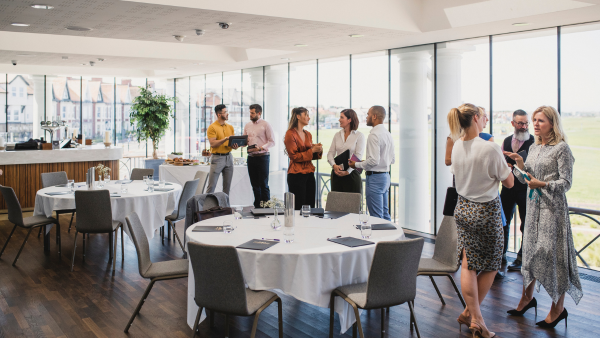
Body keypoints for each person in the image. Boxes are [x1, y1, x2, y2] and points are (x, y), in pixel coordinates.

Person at [505, 106, 582, 328]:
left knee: (553, 258)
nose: (535, 124)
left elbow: (566, 183)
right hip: (534, 209)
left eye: (540, 121)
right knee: (529, 255)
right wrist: (519, 164)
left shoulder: (562, 149)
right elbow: (524, 180)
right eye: (534, 120)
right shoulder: (535, 148)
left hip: (553, 211)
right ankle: (526, 299)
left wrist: (544, 184)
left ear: (552, 124)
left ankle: (558, 309)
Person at [449, 103, 514, 338]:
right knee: (492, 264)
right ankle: (477, 319)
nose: (486, 121)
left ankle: (469, 313)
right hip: (486, 211)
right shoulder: (490, 148)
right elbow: (509, 183)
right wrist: (507, 168)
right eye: (484, 117)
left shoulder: (457, 145)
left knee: (468, 263)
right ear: (476, 118)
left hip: (463, 208)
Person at [501, 109, 535, 272]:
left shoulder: (534, 142)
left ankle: (521, 259)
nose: (524, 126)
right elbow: (501, 161)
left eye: (526, 123)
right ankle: (501, 255)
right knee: (503, 222)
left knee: (526, 224)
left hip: (525, 189)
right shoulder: (506, 141)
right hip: (507, 188)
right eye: (520, 123)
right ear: (513, 123)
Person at [349, 106, 394, 221]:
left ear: (374, 116)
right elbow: (391, 160)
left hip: (375, 179)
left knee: (376, 217)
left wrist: (356, 165)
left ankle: (379, 239)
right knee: (384, 214)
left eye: (368, 114)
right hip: (385, 177)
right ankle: (390, 239)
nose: (366, 117)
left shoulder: (374, 135)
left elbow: (374, 160)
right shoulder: (387, 134)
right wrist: (367, 162)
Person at [284, 107, 322, 210]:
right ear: (298, 116)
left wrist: (318, 150)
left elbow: (309, 155)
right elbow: (294, 157)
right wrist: (312, 150)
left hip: (309, 173)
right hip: (296, 174)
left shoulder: (308, 134)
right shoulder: (290, 134)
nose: (309, 118)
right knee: (298, 207)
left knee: (310, 206)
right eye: (306, 115)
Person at [206, 104, 242, 196]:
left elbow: (232, 145)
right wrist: (226, 139)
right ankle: (207, 208)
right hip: (217, 158)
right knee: (211, 186)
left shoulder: (230, 127)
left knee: (227, 187)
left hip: (229, 158)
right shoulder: (212, 127)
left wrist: (235, 146)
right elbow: (213, 144)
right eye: (225, 112)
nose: (227, 114)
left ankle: (225, 208)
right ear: (219, 114)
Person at [327, 109, 365, 194]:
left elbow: (358, 157)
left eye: (341, 117)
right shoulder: (337, 135)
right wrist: (334, 166)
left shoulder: (359, 136)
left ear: (349, 120)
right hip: (337, 174)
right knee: (336, 205)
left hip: (352, 175)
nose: (339, 120)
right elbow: (330, 153)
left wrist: (347, 172)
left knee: (352, 206)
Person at [243, 104, 275, 208]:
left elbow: (272, 142)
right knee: (254, 185)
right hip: (251, 158)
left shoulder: (266, 125)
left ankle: (266, 207)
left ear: (259, 113)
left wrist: (261, 148)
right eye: (250, 113)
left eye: (252, 113)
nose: (250, 115)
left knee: (263, 185)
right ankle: (257, 206)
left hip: (263, 157)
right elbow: (244, 141)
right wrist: (238, 143)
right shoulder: (247, 125)